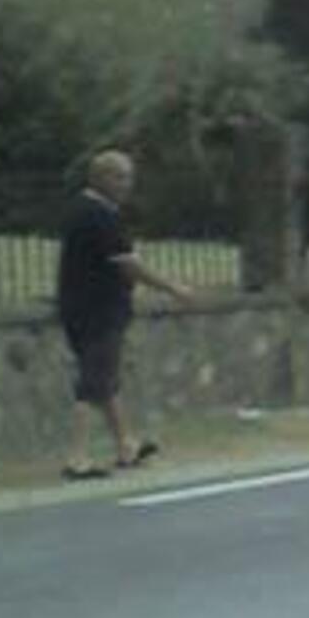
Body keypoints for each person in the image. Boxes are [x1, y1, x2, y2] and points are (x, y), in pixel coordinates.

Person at [56, 149, 187, 480]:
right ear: (101, 178)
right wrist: (173, 288)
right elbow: (128, 265)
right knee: (92, 383)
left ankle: (125, 445)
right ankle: (78, 457)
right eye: (122, 177)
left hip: (79, 307)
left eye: (129, 177)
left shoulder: (79, 211)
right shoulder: (100, 216)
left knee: (105, 381)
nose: (128, 185)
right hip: (99, 311)